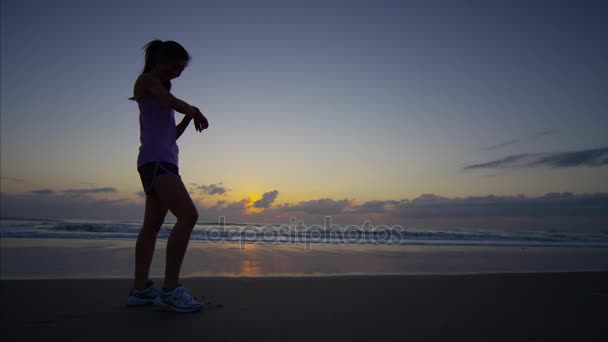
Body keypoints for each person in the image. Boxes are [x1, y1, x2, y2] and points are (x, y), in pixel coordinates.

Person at [125, 39, 209, 313]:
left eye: (181, 70)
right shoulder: (147, 80)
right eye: (174, 67)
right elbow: (172, 100)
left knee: (151, 228)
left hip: (161, 162)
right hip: (157, 163)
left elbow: (170, 136)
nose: (177, 73)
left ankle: (140, 290)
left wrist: (186, 118)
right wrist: (193, 110)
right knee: (188, 216)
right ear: (160, 60)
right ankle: (171, 290)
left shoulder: (159, 95)